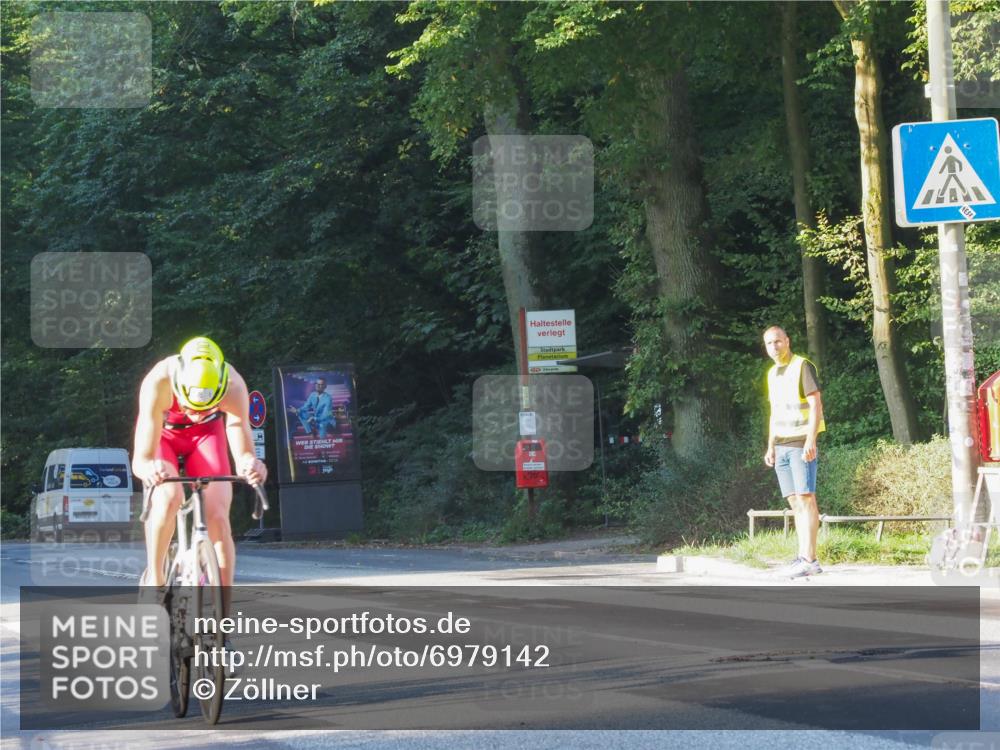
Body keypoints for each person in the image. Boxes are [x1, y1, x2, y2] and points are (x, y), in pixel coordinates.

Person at [132, 336, 267, 611]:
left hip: (207, 437)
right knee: (168, 497)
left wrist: (249, 463)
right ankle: (155, 578)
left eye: (207, 408)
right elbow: (141, 459)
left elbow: (239, 435)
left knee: (218, 516)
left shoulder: (233, 384)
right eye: (190, 406)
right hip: (164, 438)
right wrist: (150, 469)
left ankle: (223, 621)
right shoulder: (158, 381)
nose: (196, 413)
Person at [762, 326, 825, 578]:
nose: (774, 347)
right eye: (769, 343)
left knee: (806, 497)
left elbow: (815, 404)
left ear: (787, 341)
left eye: (778, 341)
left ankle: (810, 559)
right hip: (781, 445)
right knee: (794, 501)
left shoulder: (802, 366)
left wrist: (811, 439)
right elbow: (774, 412)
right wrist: (770, 445)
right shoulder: (771, 373)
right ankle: (802, 556)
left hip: (801, 442)